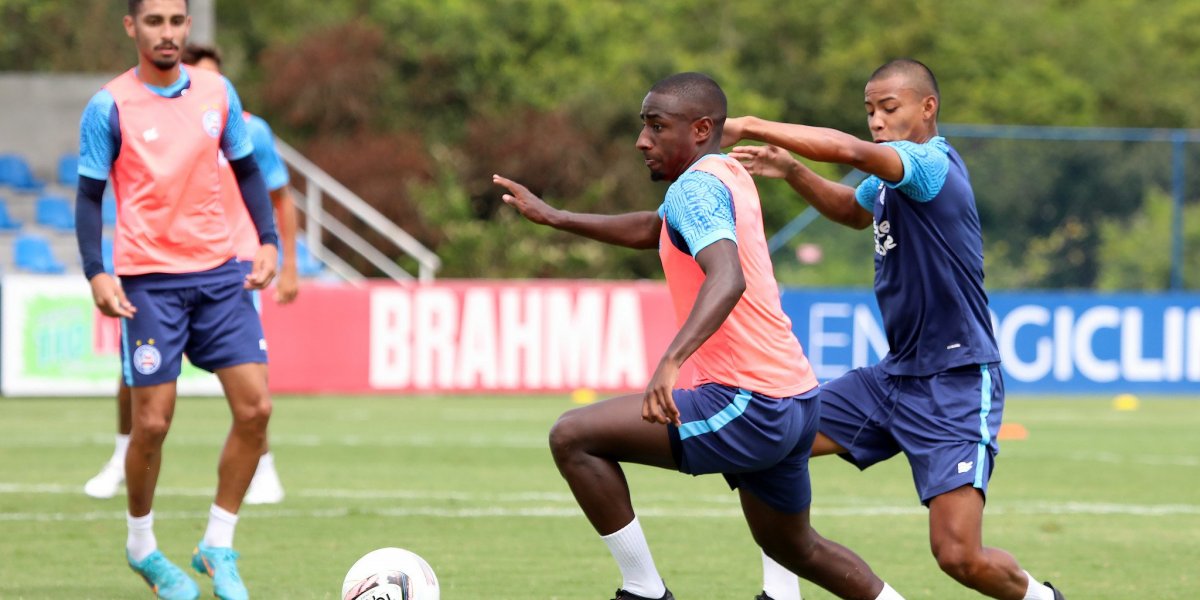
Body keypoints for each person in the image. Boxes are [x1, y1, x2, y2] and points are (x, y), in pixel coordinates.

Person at [494, 72, 905, 600]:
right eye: (643, 126)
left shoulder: (695, 187)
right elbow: (655, 229)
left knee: (573, 436)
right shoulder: (725, 172)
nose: (643, 140)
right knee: (798, 548)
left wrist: (670, 362)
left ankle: (644, 590)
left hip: (749, 401)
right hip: (796, 399)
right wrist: (556, 217)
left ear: (702, 128)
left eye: (656, 126)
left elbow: (727, 276)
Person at [722, 59, 1065, 600]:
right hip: (893, 378)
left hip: (954, 381)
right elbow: (853, 211)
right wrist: (793, 171)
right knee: (770, 439)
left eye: (889, 108)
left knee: (959, 557)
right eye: (869, 111)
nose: (876, 121)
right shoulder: (890, 181)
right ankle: (781, 590)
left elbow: (851, 151)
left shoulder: (928, 163)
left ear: (927, 108)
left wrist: (751, 124)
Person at [74, 1, 278, 598]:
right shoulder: (108, 105)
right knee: (153, 424)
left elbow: (247, 171)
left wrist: (266, 241)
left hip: (220, 274)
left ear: (188, 28)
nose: (167, 32)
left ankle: (218, 544)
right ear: (132, 27)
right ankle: (142, 547)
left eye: (176, 21)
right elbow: (88, 198)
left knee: (257, 411)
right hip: (148, 282)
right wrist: (96, 273)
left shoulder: (217, 92)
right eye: (154, 21)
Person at [83, 41, 300, 507]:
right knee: (137, 383)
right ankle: (122, 458)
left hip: (235, 264)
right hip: (160, 267)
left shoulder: (248, 129)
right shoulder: (141, 112)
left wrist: (283, 260)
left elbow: (278, 196)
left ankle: (263, 467)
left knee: (252, 390)